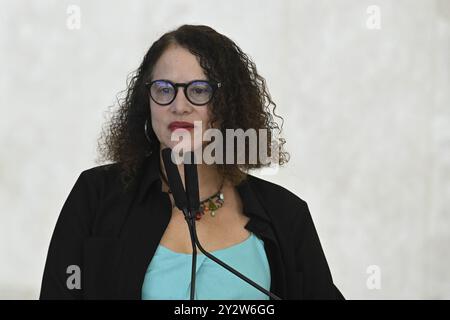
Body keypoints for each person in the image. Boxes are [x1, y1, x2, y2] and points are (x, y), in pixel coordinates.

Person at [39, 24, 344, 300]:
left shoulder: (286, 214)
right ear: (146, 103)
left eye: (198, 90)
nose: (179, 106)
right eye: (164, 90)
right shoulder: (95, 196)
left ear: (228, 105)